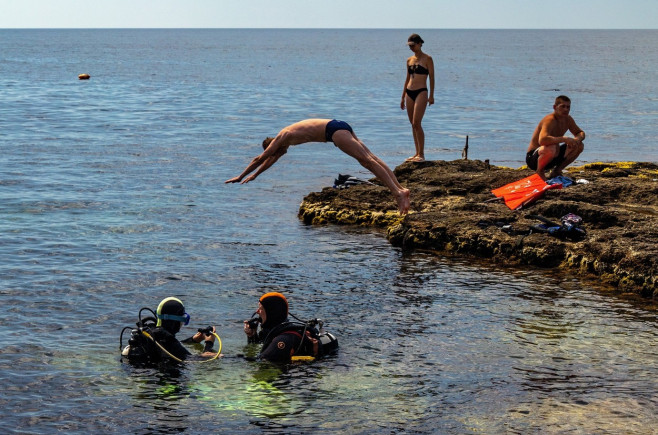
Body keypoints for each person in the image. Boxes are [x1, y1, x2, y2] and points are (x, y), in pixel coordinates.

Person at [225, 118, 410, 214]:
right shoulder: (285, 141)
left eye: (274, 151)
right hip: (338, 125)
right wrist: (256, 176)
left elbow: (261, 158)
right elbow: (270, 160)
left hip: (333, 132)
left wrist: (240, 176)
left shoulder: (281, 138)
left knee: (366, 161)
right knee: (371, 157)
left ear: (272, 145)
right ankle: (401, 189)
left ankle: (397, 193)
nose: (278, 154)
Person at [243, 292, 338, 363]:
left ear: (271, 313)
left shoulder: (283, 339)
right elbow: (261, 347)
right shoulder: (278, 332)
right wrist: (252, 336)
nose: (257, 311)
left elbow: (261, 362)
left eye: (261, 308)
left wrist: (231, 360)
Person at [121, 296, 219, 364]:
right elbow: (193, 360)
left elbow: (174, 346)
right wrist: (209, 344)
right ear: (174, 321)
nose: (182, 324)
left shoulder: (153, 332)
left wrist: (193, 340)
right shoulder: (165, 338)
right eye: (183, 319)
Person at [526, 95, 586, 181]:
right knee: (551, 146)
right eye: (563, 106)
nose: (566, 109)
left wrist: (577, 140)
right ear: (555, 107)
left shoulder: (568, 119)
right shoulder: (549, 120)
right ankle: (539, 172)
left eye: (568, 107)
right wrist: (564, 139)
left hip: (552, 157)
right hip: (534, 159)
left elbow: (580, 133)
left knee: (579, 145)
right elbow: (542, 140)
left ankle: (557, 171)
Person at [401, 33, 435, 163]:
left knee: (417, 123)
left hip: (421, 91)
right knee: (412, 124)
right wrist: (402, 96)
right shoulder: (409, 60)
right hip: (409, 92)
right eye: (409, 46)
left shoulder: (428, 59)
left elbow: (432, 78)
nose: (411, 48)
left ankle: (422, 154)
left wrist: (431, 95)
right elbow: (407, 78)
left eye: (413, 45)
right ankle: (416, 153)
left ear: (420, 43)